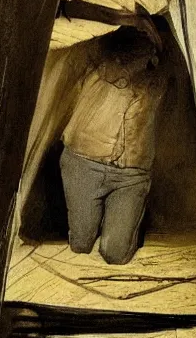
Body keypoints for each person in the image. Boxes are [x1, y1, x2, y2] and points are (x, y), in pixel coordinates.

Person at [59, 25, 166, 265]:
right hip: (84, 163)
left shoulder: (158, 81)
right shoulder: (98, 67)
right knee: (80, 244)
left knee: (115, 253)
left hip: (131, 174)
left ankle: (120, 233)